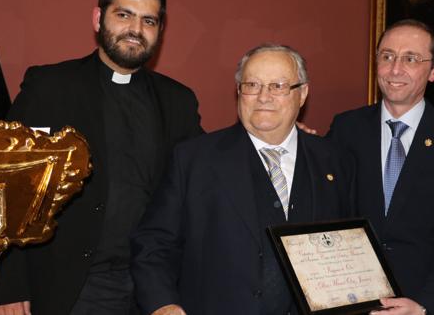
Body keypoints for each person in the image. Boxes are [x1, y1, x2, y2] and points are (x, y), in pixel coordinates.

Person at [0, 0, 202, 315]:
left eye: (148, 20)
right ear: (98, 18)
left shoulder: (178, 101)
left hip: (152, 286)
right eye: (124, 15)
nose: (135, 30)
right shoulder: (50, 87)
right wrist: (9, 284)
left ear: (160, 31)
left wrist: (279, 139)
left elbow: (207, 171)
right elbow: (6, 182)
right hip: (72, 285)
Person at [130, 44, 354, 315]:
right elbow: (154, 243)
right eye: (252, 85)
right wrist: (162, 304)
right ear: (238, 92)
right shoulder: (194, 160)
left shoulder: (334, 161)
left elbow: (351, 247)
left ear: (302, 93)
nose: (263, 96)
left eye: (278, 86)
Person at [327, 19, 434, 315]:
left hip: (430, 304)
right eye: (387, 56)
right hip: (357, 302)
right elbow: (327, 210)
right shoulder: (346, 128)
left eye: (410, 58)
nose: (395, 69)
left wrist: (424, 305)